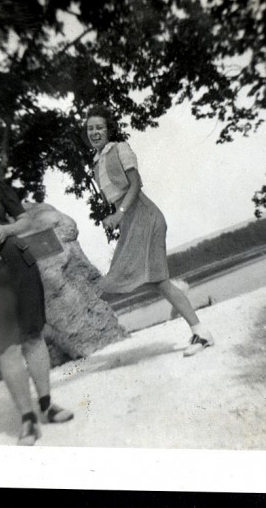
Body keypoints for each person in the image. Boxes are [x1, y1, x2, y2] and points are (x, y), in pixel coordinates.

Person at [84, 105, 214, 357]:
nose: (95, 132)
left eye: (99, 127)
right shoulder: (95, 164)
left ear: (109, 129)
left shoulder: (120, 149)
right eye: (90, 128)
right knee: (142, 278)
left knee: (151, 279)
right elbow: (113, 198)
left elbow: (135, 185)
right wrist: (117, 219)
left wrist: (118, 214)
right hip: (130, 222)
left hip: (146, 217)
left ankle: (202, 333)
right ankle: (178, 291)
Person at [0, 177, 74, 446]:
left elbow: (24, 221)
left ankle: (47, 406)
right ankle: (28, 419)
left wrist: (6, 230)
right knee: (6, 346)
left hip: (19, 264)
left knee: (33, 336)